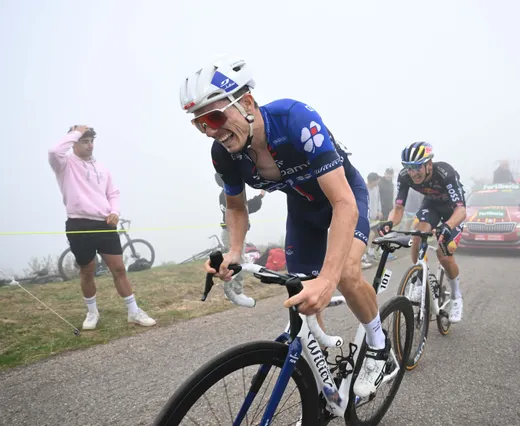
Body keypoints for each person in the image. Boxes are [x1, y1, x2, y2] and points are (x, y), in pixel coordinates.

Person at [179, 56, 389, 397]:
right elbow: (235, 205)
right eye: (200, 125)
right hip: (304, 208)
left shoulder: (294, 119)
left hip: (344, 196)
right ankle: (326, 385)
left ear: (246, 102)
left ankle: (380, 347)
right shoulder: (224, 153)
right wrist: (234, 252)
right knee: (303, 289)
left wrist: (328, 278)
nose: (211, 132)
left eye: (215, 117)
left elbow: (343, 204)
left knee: (346, 273)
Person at [48, 126, 156, 330]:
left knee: (119, 268)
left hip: (104, 223)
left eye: (91, 140)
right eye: (84, 141)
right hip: (79, 223)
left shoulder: (102, 168)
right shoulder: (65, 164)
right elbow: (54, 151)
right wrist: (75, 133)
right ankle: (92, 313)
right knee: (87, 271)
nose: (89, 145)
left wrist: (115, 211)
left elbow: (113, 193)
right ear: (74, 143)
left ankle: (134, 312)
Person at [378, 142, 467, 323]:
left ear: (429, 164)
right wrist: (388, 222)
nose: (413, 172)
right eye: (409, 168)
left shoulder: (445, 173)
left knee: (444, 253)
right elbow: (398, 208)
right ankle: (419, 279)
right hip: (432, 206)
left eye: (417, 167)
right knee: (418, 234)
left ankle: (457, 297)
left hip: (452, 211)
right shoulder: (405, 177)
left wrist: (448, 226)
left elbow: (461, 210)